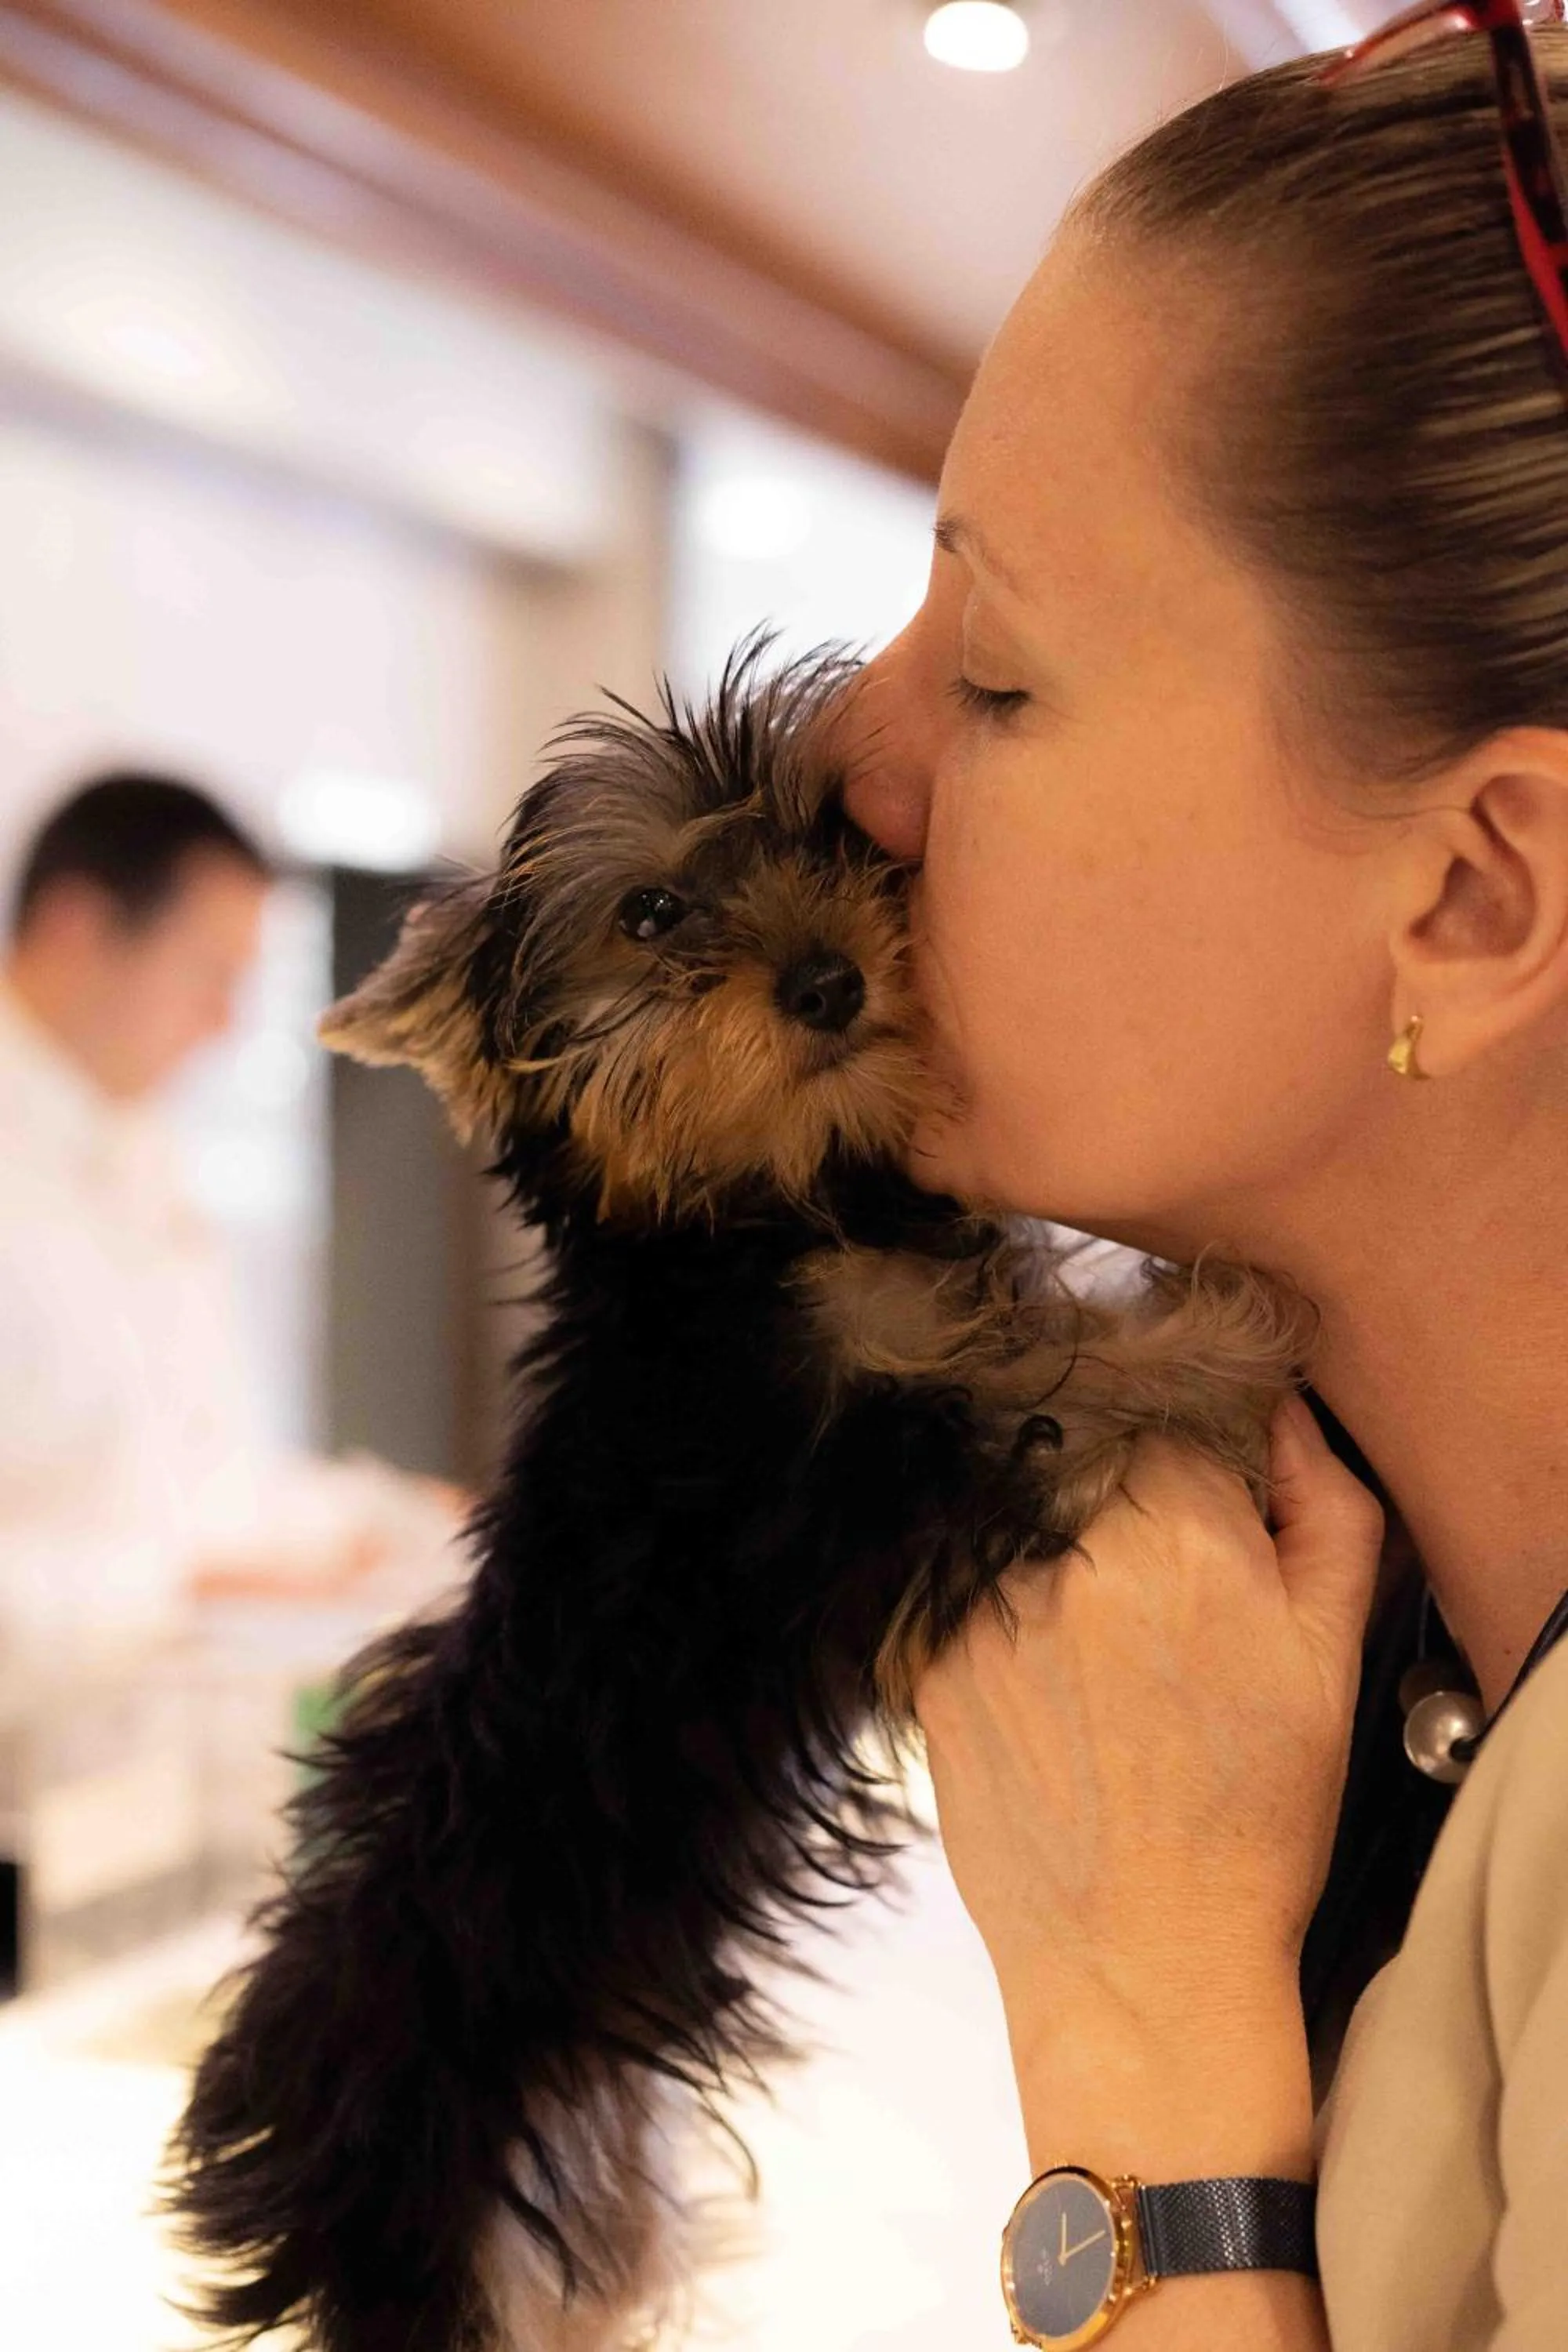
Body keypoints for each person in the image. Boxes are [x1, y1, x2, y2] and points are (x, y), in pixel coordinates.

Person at [843, 13, 1568, 2351]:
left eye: (1003, 680)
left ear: (1471, 899)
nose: (855, 756)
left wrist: (1137, 2052)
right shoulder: (1413, 1668)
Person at [0, 771, 460, 1669]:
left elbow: (204, 1482)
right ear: (76, 929)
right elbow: (178, 1556)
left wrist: (406, 1520)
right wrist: (175, 1586)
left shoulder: (140, 1154)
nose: (224, 1026)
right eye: (211, 977)